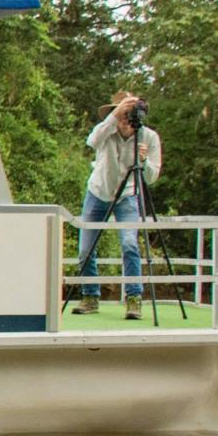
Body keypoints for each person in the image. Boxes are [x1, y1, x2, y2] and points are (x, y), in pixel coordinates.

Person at [72, 91, 163, 319]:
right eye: (122, 113)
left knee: (130, 245)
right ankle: (90, 296)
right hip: (98, 192)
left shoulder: (149, 137)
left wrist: (143, 161)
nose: (125, 119)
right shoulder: (107, 131)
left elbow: (151, 177)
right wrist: (115, 114)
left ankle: (134, 299)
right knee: (85, 249)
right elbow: (91, 141)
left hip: (127, 195)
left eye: (129, 114)